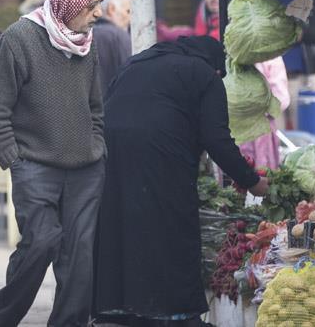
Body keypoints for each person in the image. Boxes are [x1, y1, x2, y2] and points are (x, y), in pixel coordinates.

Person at [94, 36, 269, 326]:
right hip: (163, 155)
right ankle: (178, 315)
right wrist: (253, 182)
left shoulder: (135, 63)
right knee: (172, 227)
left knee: (123, 228)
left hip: (111, 153)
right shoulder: (205, 74)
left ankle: (123, 310)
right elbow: (217, 140)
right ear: (216, 66)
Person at [0, 0, 108, 327]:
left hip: (86, 170)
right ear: (71, 3)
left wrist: (97, 146)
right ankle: (4, 319)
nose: (98, 13)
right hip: (35, 168)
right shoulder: (18, 40)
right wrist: (17, 164)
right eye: (92, 5)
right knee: (40, 243)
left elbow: (95, 108)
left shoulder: (87, 42)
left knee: (79, 258)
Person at [238, 56, 290, 169]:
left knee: (262, 172)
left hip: (261, 130)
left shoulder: (271, 58)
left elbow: (281, 99)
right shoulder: (233, 57)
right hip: (237, 128)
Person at [93, 0, 132, 96]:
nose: (130, 19)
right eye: (128, 11)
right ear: (112, 9)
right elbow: (131, 78)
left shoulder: (82, 34)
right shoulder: (118, 36)